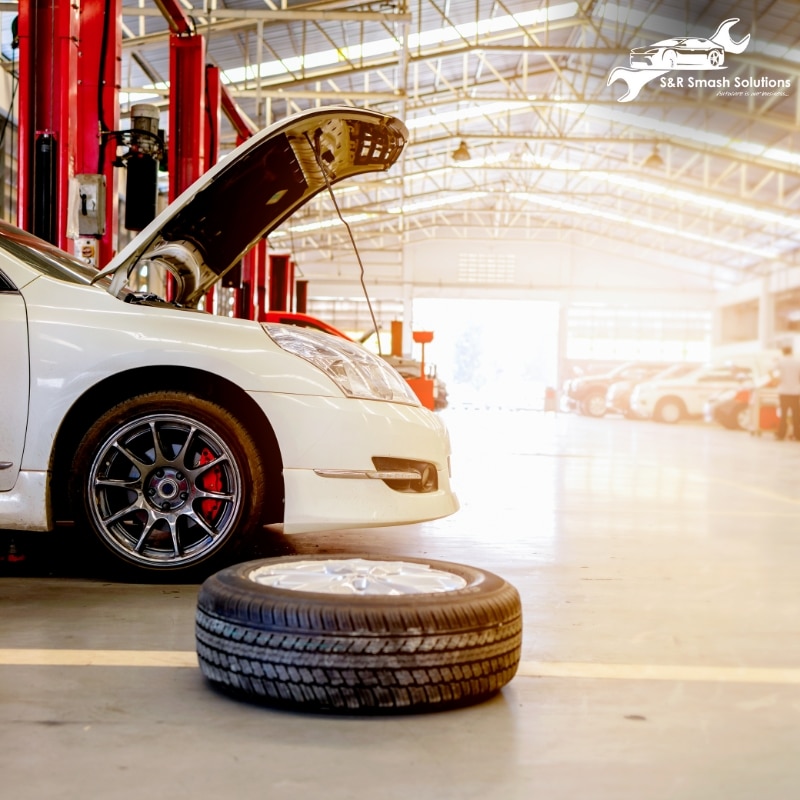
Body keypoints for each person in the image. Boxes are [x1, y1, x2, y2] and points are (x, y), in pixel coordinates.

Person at [775, 344, 800, 440]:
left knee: (783, 414)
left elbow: (771, 371)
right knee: (796, 414)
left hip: (783, 391)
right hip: (795, 392)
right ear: (791, 351)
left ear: (783, 352)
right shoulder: (797, 361)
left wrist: (775, 380)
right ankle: (797, 435)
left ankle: (781, 434)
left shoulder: (780, 361)